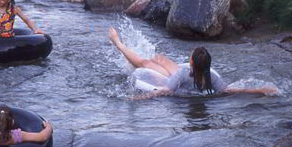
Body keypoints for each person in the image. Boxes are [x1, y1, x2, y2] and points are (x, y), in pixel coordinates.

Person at [108, 27, 279, 97]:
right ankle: (154, 61)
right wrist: (260, 90)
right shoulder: (211, 77)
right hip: (184, 79)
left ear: (190, 61)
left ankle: (118, 42)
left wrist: (136, 98)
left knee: (146, 62)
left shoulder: (183, 73)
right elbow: (232, 90)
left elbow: (164, 91)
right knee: (160, 59)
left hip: (176, 80)